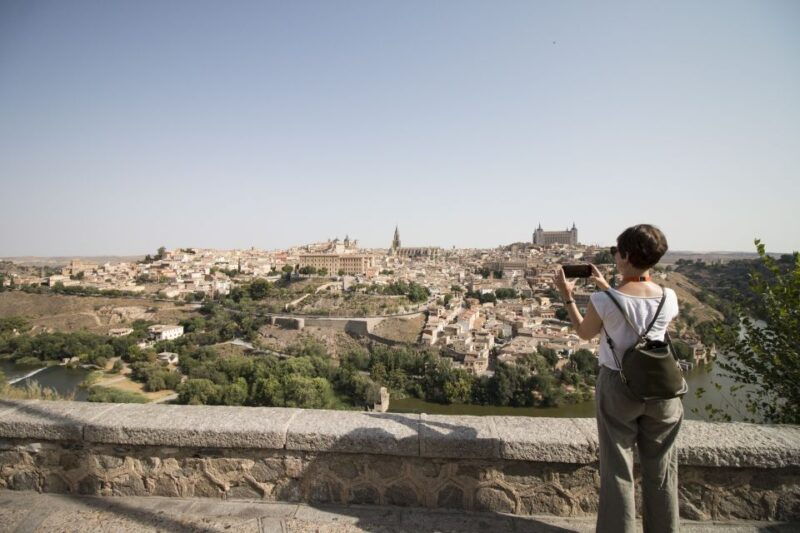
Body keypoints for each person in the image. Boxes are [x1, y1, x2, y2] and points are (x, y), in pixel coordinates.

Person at [554, 224, 681, 533]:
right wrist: (609, 286)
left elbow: (585, 334)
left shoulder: (604, 301)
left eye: (615, 251)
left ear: (624, 256)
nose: (613, 256)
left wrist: (567, 297)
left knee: (618, 469)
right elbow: (647, 321)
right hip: (663, 389)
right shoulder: (670, 296)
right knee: (663, 470)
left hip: (619, 387)